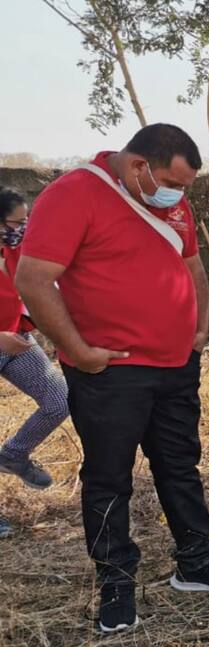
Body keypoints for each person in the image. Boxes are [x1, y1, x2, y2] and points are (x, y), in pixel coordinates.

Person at [16, 124, 209, 634]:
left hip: (176, 366)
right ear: (139, 165)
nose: (178, 195)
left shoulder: (170, 201)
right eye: (173, 182)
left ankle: (196, 562)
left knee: (180, 466)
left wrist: (199, 329)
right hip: (111, 372)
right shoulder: (74, 194)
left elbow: (192, 266)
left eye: (185, 186)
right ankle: (116, 582)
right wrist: (80, 352)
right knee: (109, 477)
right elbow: (32, 279)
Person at [0, 187, 70, 531]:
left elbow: (38, 292)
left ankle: (13, 455)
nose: (23, 228)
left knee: (60, 400)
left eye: (26, 221)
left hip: (16, 340)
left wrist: (61, 335)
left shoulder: (18, 250)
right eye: (17, 223)